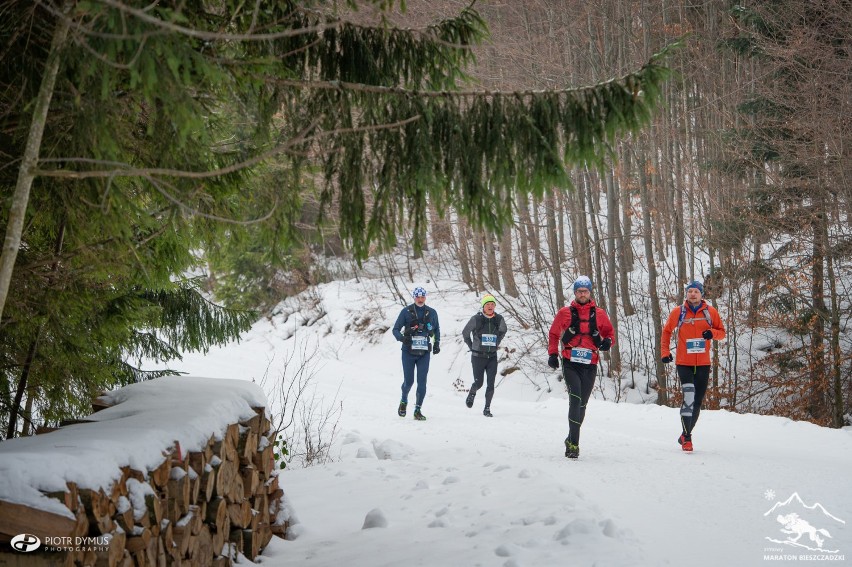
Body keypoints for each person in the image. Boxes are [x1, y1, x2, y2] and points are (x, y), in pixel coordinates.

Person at [547, 276, 614, 459]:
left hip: (590, 363)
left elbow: (609, 332)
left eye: (585, 291)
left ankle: (570, 437)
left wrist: (608, 342)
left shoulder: (599, 313)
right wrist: (553, 354)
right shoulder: (565, 312)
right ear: (575, 293)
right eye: (579, 291)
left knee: (582, 404)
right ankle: (574, 445)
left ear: (590, 292)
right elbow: (553, 334)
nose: (582, 294)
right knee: (575, 399)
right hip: (570, 361)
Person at [660, 280, 726, 453]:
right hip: (684, 363)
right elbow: (667, 331)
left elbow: (722, 332)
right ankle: (688, 438)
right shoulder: (679, 312)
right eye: (690, 292)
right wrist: (665, 352)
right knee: (689, 396)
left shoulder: (710, 312)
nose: (693, 294)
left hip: (703, 363)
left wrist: (712, 333)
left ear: (701, 294)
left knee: (697, 402)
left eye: (696, 291)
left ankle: (684, 433)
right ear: (686, 294)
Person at [391, 287, 441, 421]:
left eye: (423, 297)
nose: (420, 299)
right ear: (414, 297)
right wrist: (402, 338)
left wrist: (436, 344)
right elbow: (395, 329)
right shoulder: (406, 312)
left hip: (424, 352)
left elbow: (436, 331)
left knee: (422, 382)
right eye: (418, 297)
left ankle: (418, 410)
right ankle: (403, 400)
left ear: (425, 297)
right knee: (409, 382)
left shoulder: (432, 312)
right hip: (408, 351)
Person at [462, 294, 508, 417]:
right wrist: (471, 346)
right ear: (483, 306)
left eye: (492, 304)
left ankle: (487, 408)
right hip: (478, 356)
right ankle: (472, 392)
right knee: (479, 383)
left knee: (491, 383)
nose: (490, 306)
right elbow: (465, 332)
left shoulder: (499, 319)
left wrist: (497, 341)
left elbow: (503, 330)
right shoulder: (476, 319)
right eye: (488, 304)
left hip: (492, 356)